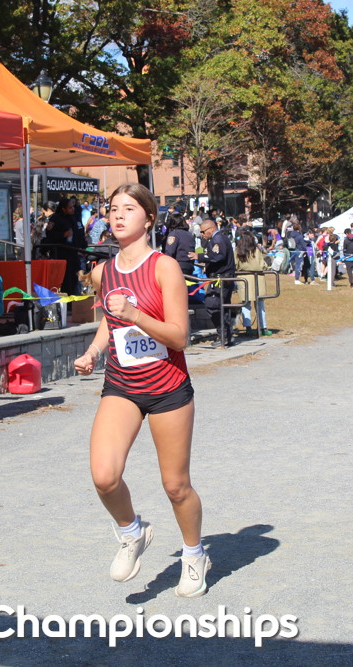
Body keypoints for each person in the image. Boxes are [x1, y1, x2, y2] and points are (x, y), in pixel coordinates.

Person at [72, 183, 209, 598]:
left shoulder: (164, 267)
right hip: (122, 385)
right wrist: (94, 351)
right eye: (113, 209)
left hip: (168, 387)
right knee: (104, 476)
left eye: (128, 209)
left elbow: (180, 336)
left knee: (176, 486)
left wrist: (135, 315)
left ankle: (194, 554)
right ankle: (132, 531)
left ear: (148, 218)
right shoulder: (103, 272)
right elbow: (109, 320)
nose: (117, 215)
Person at [190, 218, 236, 347]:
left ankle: (223, 335)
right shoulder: (216, 239)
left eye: (203, 231)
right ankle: (225, 335)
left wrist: (199, 256)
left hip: (221, 279)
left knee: (213, 305)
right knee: (222, 307)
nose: (202, 234)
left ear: (211, 229)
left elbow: (218, 256)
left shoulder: (218, 239)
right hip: (220, 278)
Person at [235, 229, 269, 336]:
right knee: (260, 305)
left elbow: (235, 265)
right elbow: (261, 265)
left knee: (246, 304)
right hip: (257, 278)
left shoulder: (238, 251)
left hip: (243, 279)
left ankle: (248, 327)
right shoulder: (256, 250)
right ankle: (263, 327)